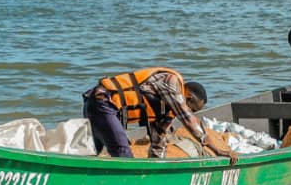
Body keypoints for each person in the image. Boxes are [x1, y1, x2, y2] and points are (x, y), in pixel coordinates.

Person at [82, 67, 231, 159]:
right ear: (188, 97)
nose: (189, 111)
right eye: (192, 108)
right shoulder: (171, 82)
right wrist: (214, 148)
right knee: (123, 152)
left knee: (96, 153)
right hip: (102, 103)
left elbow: (158, 140)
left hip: (102, 109)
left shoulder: (164, 108)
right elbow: (187, 119)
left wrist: (156, 167)